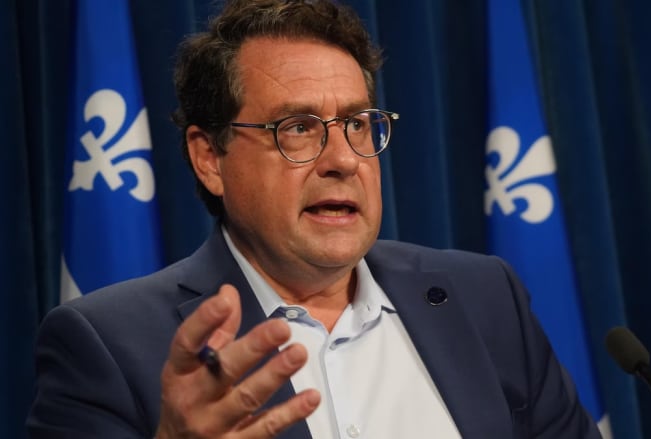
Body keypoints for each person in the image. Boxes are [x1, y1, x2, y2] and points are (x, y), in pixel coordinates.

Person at [27, 0, 601, 437]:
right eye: (297, 128)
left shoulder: (484, 298)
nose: (343, 160)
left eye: (358, 124)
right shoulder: (108, 344)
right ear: (210, 158)